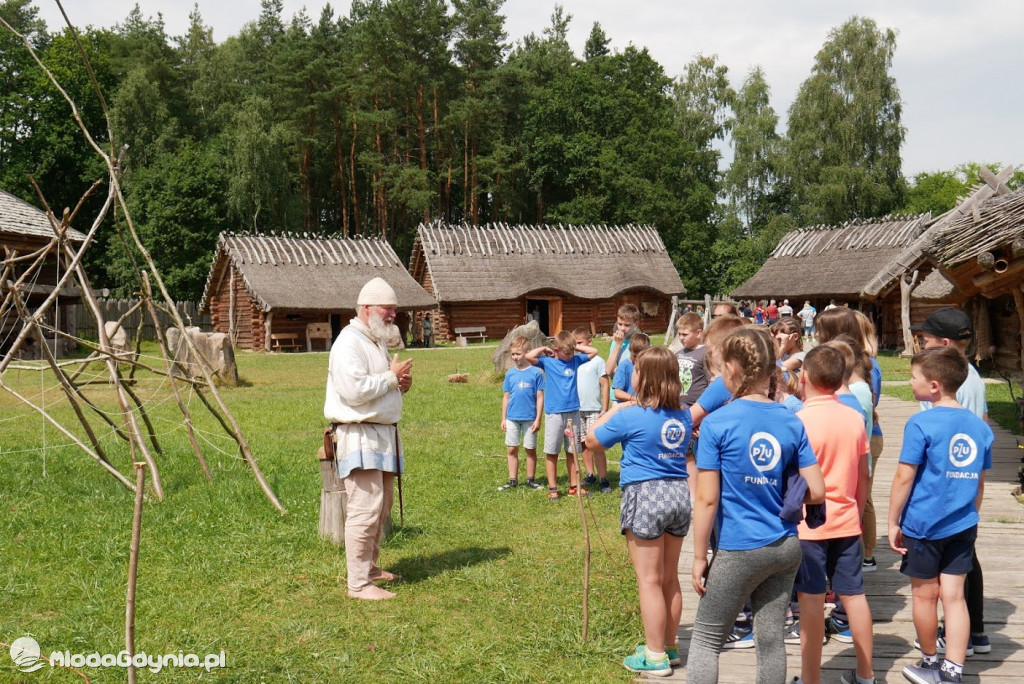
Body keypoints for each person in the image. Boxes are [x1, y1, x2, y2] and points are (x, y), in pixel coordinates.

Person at [686, 328, 825, 684]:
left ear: (732, 369)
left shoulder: (717, 423)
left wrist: (700, 555)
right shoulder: (792, 420)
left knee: (705, 638)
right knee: (770, 639)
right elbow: (818, 490)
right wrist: (778, 492)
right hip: (785, 547)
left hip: (737, 548)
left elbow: (707, 498)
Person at [587, 347, 693, 677]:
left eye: (635, 369)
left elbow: (592, 441)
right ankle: (669, 644)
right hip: (678, 495)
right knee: (670, 577)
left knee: (648, 580)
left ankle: (655, 655)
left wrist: (617, 406)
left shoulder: (631, 414)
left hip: (645, 495)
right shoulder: (684, 413)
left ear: (642, 377)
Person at [889, 347, 993, 684]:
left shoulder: (921, 422)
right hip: (963, 523)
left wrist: (893, 521)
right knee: (955, 596)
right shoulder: (980, 427)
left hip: (923, 524)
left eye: (914, 377)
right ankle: (953, 671)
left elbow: (905, 476)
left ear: (934, 385)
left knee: (924, 594)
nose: (909, 381)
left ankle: (931, 663)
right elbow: (979, 481)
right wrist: (970, 514)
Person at [325, 277, 412, 601]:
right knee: (365, 506)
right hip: (359, 434)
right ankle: (358, 584)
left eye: (393, 309)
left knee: (381, 503)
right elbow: (354, 391)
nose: (392, 314)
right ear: (365, 309)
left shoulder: (374, 340)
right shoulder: (348, 343)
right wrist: (390, 377)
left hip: (380, 433)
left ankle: (371, 569)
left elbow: (378, 384)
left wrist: (399, 383)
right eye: (386, 308)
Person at [911, 308, 992, 658]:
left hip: (941, 492)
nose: (921, 344)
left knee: (947, 580)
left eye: (925, 340)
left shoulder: (946, 384)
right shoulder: (971, 376)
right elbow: (986, 423)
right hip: (964, 486)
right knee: (965, 564)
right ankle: (977, 632)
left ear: (944, 344)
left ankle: (959, 636)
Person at [793, 346, 874, 684]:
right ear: (841, 379)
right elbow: (862, 473)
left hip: (807, 525)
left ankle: (810, 678)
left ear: (804, 377)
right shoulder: (854, 418)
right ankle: (866, 674)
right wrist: (856, 507)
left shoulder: (797, 420)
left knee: (810, 601)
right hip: (846, 520)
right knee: (854, 595)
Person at [525, 331, 598, 499]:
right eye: (566, 353)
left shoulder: (576, 360)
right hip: (555, 414)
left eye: (572, 352)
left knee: (572, 451)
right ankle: (553, 488)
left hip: (573, 412)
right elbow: (529, 357)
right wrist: (544, 347)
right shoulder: (547, 362)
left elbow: (593, 352)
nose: (570, 355)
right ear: (556, 349)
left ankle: (574, 486)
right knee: (552, 451)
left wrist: (573, 346)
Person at [499, 336, 544, 491]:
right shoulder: (510, 374)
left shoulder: (536, 373)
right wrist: (503, 418)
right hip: (512, 417)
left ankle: (531, 480)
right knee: (512, 448)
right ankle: (513, 480)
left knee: (530, 449)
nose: (515, 357)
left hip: (530, 418)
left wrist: (538, 419)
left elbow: (539, 397)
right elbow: (506, 396)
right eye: (513, 354)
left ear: (527, 353)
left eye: (518, 354)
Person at [573, 328, 612, 494]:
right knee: (583, 444)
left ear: (589, 342)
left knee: (596, 444)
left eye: (580, 343)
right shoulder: (574, 360)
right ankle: (590, 473)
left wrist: (604, 408)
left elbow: (604, 384)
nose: (577, 347)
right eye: (575, 344)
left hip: (594, 409)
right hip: (577, 410)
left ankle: (603, 477)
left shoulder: (597, 361)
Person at [675, 313, 709, 408]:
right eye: (679, 334)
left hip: (696, 406)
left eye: (685, 334)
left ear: (698, 333)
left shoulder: (706, 353)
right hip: (677, 404)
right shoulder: (679, 353)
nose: (681, 338)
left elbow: (711, 381)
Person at [612, 333, 651, 403]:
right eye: (634, 356)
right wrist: (637, 400)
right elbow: (617, 393)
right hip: (628, 406)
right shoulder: (623, 366)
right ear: (630, 350)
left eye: (641, 356)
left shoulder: (650, 365)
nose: (637, 359)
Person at [606, 303, 642, 378]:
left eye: (627, 325)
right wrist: (618, 345)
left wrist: (618, 370)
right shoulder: (615, 342)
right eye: (619, 324)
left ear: (636, 324)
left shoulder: (642, 340)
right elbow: (608, 371)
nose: (622, 328)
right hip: (618, 386)